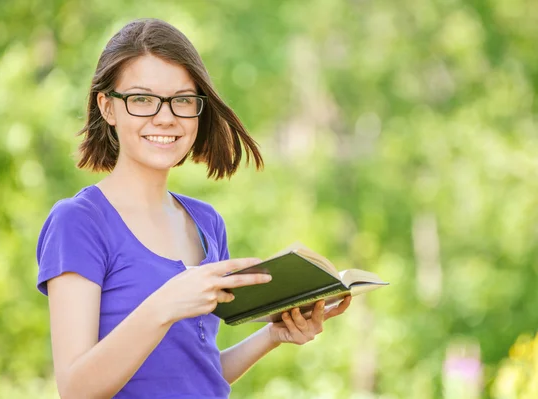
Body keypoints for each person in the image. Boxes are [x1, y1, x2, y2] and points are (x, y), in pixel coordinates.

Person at [36, 18, 352, 399]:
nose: (165, 116)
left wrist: (273, 335)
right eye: (142, 99)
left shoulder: (206, 222)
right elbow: (76, 388)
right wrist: (165, 304)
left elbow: (195, 374)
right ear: (108, 107)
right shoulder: (79, 222)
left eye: (182, 100)